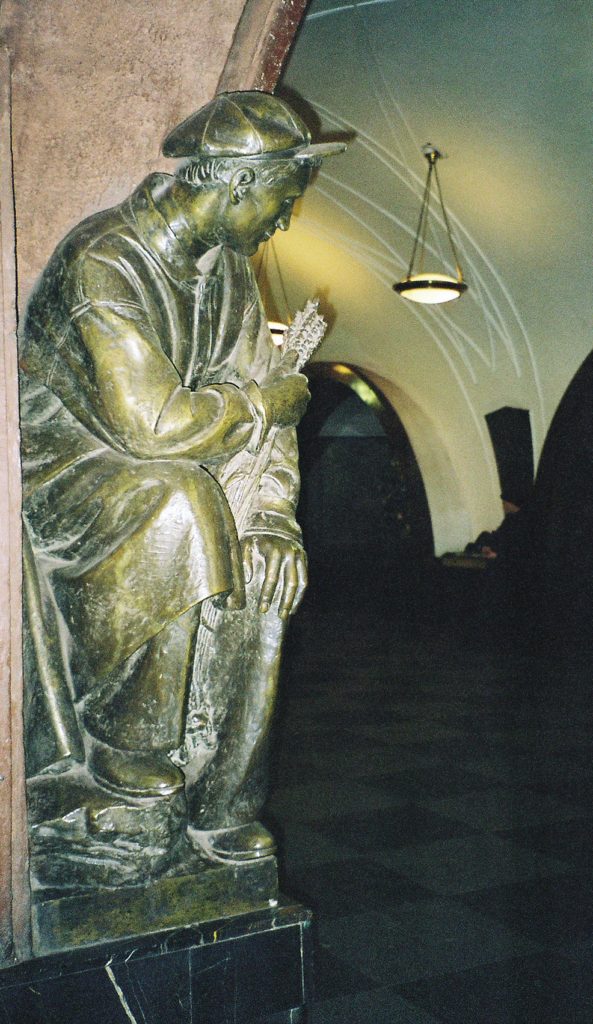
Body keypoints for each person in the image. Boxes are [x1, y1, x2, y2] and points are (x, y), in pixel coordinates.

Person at [20, 91, 345, 872]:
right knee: (180, 501)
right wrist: (261, 402)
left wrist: (271, 516)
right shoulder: (104, 260)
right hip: (72, 484)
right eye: (281, 198)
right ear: (237, 183)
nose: (283, 221)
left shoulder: (228, 272)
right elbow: (152, 428)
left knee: (263, 561)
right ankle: (129, 783)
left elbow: (270, 411)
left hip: (175, 466)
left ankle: (219, 800)